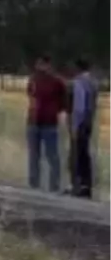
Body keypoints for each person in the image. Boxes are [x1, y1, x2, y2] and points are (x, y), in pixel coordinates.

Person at [27, 54, 67, 192]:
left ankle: (54, 186)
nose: (39, 67)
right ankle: (34, 184)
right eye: (38, 64)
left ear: (48, 65)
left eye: (42, 64)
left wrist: (56, 111)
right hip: (33, 121)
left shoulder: (57, 82)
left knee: (52, 155)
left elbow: (63, 101)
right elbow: (31, 96)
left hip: (49, 122)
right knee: (34, 154)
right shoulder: (33, 79)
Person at [69, 58, 98, 198]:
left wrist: (75, 126)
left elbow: (79, 107)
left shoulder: (79, 82)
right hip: (89, 123)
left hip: (81, 124)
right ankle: (87, 186)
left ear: (77, 68)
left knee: (78, 155)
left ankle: (79, 185)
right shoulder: (92, 82)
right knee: (85, 155)